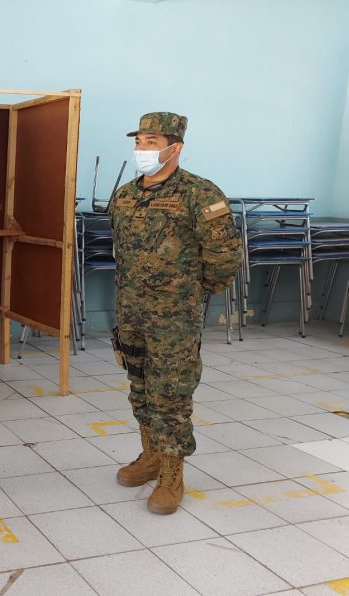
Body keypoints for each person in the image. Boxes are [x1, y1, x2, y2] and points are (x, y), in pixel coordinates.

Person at [110, 112, 242, 515]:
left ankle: (172, 472)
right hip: (131, 311)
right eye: (139, 142)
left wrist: (189, 293)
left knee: (170, 393)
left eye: (151, 142)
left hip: (173, 318)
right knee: (139, 388)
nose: (142, 150)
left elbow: (224, 257)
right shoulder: (126, 195)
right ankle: (150, 455)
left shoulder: (201, 195)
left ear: (175, 147)